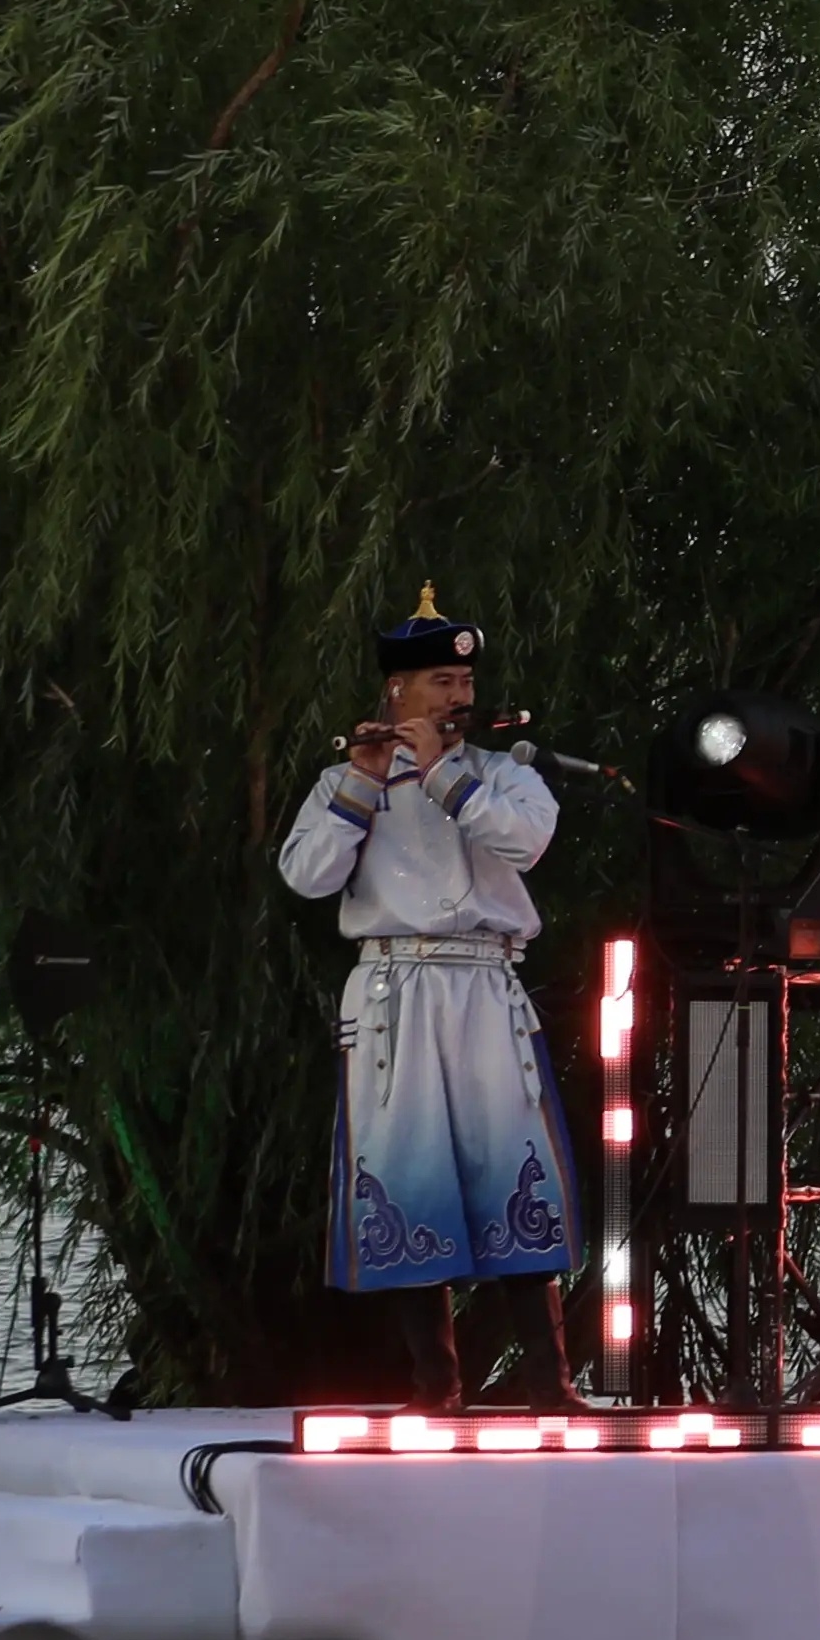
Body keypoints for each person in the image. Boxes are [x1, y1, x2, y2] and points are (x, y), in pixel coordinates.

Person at [271, 588, 576, 1392]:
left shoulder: (505, 775)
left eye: (465, 683)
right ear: (397, 690)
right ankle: (434, 1387)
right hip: (393, 990)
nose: (458, 696)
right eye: (441, 682)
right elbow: (306, 877)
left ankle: (551, 1384)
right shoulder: (345, 779)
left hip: (485, 984)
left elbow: (526, 843)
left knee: (513, 1165)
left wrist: (440, 773)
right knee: (407, 1171)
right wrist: (364, 782)